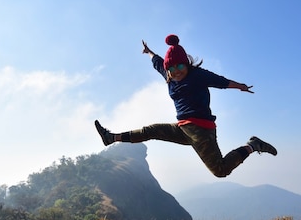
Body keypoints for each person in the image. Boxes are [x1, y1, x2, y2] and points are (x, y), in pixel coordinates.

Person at [94, 34, 276, 178]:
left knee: (220, 171)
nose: (177, 71)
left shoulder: (197, 75)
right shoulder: (168, 76)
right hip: (182, 128)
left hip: (201, 131)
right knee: (151, 131)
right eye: (172, 69)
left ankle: (253, 145)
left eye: (180, 66)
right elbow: (157, 61)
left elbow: (221, 81)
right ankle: (111, 137)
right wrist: (148, 51)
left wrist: (240, 87)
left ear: (187, 63)